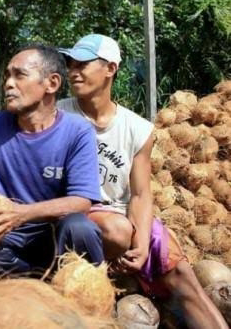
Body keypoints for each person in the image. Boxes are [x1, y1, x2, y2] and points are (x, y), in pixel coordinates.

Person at [58, 34, 227, 329]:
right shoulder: (58, 114)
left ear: (110, 68)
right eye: (70, 64)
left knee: (182, 274)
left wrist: (143, 244)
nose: (73, 71)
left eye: (83, 64)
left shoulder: (137, 128)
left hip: (121, 213)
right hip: (77, 213)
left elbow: (140, 194)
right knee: (117, 231)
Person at [0, 44, 105, 276]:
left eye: (19, 75)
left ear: (52, 83)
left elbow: (81, 201)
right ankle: (37, 281)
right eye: (7, 76)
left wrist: (20, 213)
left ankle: (81, 289)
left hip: (54, 237)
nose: (9, 83)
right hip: (7, 240)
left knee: (80, 229)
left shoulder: (77, 131)